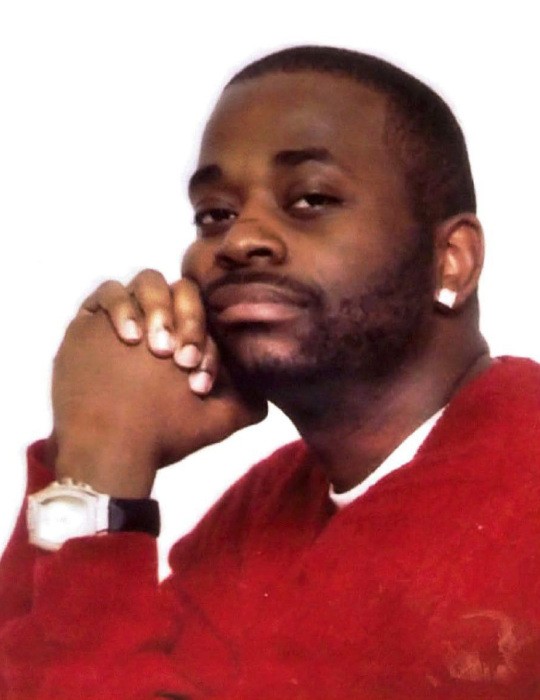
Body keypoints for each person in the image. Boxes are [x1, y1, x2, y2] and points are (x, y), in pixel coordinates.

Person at [1, 45, 539, 700]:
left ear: (452, 261)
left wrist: (104, 462)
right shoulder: (269, 506)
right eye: (215, 215)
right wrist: (83, 453)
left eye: (310, 199)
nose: (238, 241)